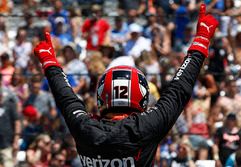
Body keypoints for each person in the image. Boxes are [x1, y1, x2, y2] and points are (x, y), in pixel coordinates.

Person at [34, 4, 218, 166]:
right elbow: (179, 90)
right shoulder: (146, 126)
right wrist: (201, 39)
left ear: (102, 95)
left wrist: (49, 61)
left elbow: (66, 97)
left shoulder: (84, 128)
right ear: (142, 95)